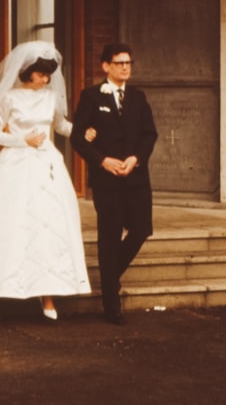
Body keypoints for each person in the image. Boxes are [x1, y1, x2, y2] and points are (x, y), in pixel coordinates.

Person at [0, 41, 91, 320]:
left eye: (48, 75)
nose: (46, 80)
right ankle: (10, 282)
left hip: (46, 164)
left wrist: (81, 133)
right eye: (41, 75)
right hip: (17, 164)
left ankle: (48, 294)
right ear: (27, 72)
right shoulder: (9, 98)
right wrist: (22, 139)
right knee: (15, 223)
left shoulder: (51, 98)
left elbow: (61, 125)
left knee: (49, 225)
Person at [71, 43, 158, 325]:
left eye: (128, 63)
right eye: (119, 63)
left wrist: (135, 158)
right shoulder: (91, 96)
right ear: (105, 66)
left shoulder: (138, 97)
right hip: (107, 180)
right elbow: (78, 138)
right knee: (108, 238)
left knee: (142, 229)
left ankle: (109, 277)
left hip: (135, 177)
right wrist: (102, 161)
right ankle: (112, 302)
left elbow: (150, 134)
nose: (125, 67)